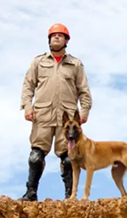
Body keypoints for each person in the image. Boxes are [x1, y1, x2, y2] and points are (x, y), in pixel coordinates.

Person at [19, 23, 92, 201]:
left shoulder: (75, 64)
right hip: (42, 116)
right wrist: (27, 106)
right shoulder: (39, 62)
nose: (56, 37)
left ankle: (70, 196)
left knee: (68, 158)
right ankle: (31, 193)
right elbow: (28, 86)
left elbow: (84, 91)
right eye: (53, 35)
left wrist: (84, 111)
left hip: (67, 119)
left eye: (60, 35)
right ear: (49, 40)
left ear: (66, 40)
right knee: (36, 157)